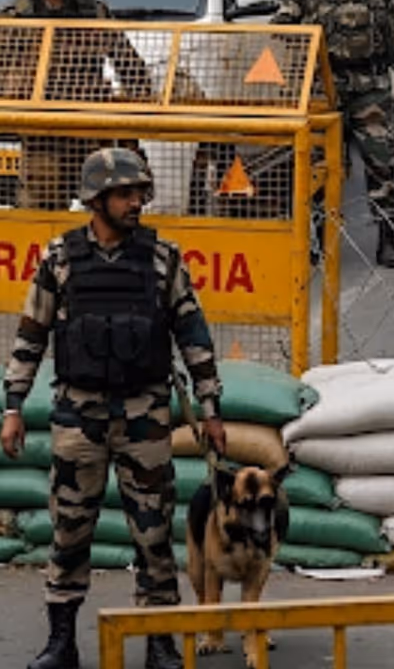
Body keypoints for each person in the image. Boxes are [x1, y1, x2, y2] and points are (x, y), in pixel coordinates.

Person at [1, 148, 228, 669]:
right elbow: (31, 335)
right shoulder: (60, 259)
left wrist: (211, 407)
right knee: (69, 531)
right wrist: (13, 406)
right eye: (126, 193)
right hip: (78, 417)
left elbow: (193, 333)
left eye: (140, 192)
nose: (136, 202)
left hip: (144, 416)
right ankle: (61, 644)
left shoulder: (161, 259)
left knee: (152, 533)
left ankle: (160, 642)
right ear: (96, 199)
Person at [272, 0, 394, 269]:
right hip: (322, 90)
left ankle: (388, 238)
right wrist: (293, 77)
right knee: (318, 168)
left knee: (381, 162)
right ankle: (317, 239)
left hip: (370, 86)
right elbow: (282, 29)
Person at [2, 0, 152, 211]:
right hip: (43, 134)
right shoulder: (19, 18)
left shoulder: (94, 12)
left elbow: (131, 68)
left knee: (104, 210)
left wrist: (136, 120)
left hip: (89, 130)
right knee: (40, 212)